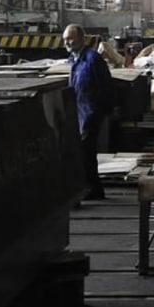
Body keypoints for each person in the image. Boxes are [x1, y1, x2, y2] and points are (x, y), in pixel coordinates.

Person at [63, 24, 114, 200]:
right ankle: (92, 188)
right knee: (85, 152)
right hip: (80, 113)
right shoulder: (75, 59)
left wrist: (102, 111)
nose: (67, 42)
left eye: (70, 38)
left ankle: (92, 189)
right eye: (65, 39)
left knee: (86, 151)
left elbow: (106, 86)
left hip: (91, 113)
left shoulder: (93, 59)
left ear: (81, 39)